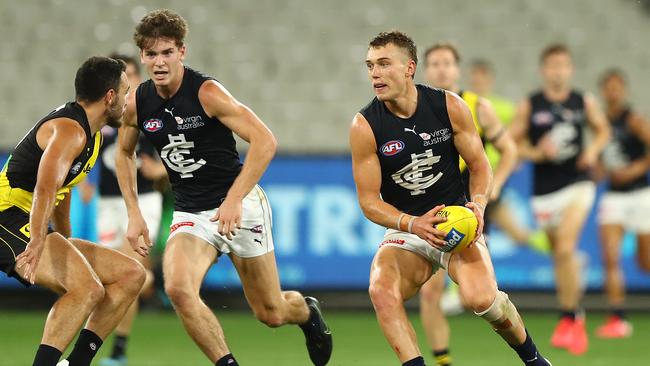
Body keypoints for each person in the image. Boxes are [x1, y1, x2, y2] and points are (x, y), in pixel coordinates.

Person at [115, 9, 332, 366]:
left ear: (182, 52)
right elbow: (123, 154)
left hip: (240, 205)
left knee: (271, 312)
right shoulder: (137, 102)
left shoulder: (207, 92)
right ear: (142, 56)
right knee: (178, 289)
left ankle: (306, 313)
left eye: (167, 52)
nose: (159, 62)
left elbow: (265, 141)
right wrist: (134, 212)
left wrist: (233, 200)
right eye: (151, 54)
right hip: (190, 213)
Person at [350, 30, 551, 366]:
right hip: (408, 229)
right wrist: (412, 223)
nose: (375, 73)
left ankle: (532, 358)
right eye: (370, 65)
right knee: (381, 292)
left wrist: (480, 204)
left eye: (384, 64)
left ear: (409, 68)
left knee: (482, 301)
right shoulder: (365, 125)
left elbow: (480, 166)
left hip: (455, 219)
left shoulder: (449, 106)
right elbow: (369, 201)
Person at [0, 56, 145, 366]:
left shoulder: (89, 133)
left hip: (30, 219)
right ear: (110, 97)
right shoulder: (70, 131)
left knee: (131, 274)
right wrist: (40, 239)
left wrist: (64, 239)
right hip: (7, 216)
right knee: (87, 288)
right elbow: (45, 187)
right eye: (126, 91)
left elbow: (61, 192)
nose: (128, 99)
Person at [418, 43, 518, 366]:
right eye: (434, 63)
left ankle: (522, 344)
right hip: (433, 214)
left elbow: (509, 150)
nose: (441, 69)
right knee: (429, 292)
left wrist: (493, 188)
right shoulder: (417, 109)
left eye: (447, 63)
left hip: (468, 213)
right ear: (424, 70)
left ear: (457, 69)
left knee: (475, 297)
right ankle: (442, 360)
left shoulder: (477, 106)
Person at [510, 44, 610, 355]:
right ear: (543, 70)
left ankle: (567, 318)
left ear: (570, 70)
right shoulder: (531, 104)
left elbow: (603, 130)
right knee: (560, 256)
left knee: (565, 247)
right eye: (552, 65)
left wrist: (592, 152)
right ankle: (575, 312)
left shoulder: (583, 101)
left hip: (578, 185)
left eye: (563, 65)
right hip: (545, 193)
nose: (558, 71)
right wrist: (536, 152)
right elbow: (511, 142)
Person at [79, 53, 165, 366]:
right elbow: (79, 146)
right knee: (115, 279)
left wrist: (161, 172)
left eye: (131, 74)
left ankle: (117, 350)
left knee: (129, 270)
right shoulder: (105, 116)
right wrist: (82, 181)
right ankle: (148, 282)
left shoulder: (153, 111)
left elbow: (177, 154)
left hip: (143, 202)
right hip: (108, 203)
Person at [469, 60, 550, 253]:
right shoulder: (464, 103)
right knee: (504, 227)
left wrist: (521, 157)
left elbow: (518, 141)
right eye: (475, 77)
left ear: (490, 79)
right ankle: (552, 245)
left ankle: (459, 282)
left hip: (495, 175)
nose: (479, 81)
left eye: (482, 77)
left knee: (473, 224)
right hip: (470, 173)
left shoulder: (503, 108)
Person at [596, 69, 650, 338]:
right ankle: (618, 317)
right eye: (609, 87)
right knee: (610, 256)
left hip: (640, 194)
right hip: (614, 195)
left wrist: (635, 170)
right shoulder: (601, 123)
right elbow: (599, 158)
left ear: (624, 90)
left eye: (617, 87)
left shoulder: (635, 120)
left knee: (645, 261)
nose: (613, 92)